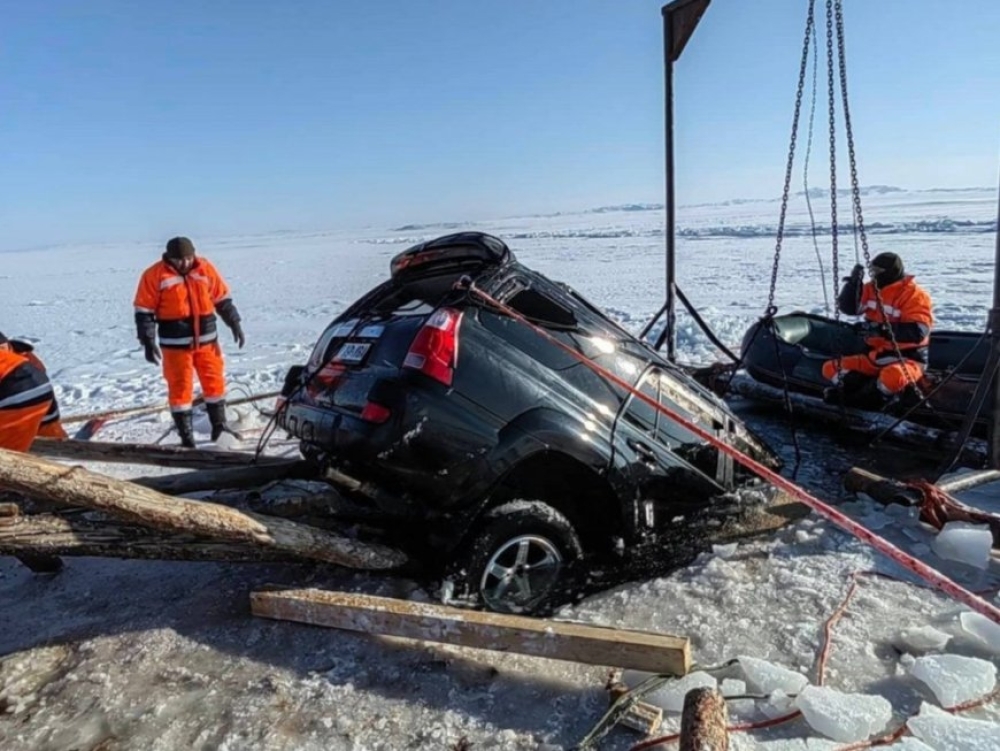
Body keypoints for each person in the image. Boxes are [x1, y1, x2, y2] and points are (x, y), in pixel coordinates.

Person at [133, 236, 245, 448]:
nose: (184, 263)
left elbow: (221, 298)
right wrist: (147, 340)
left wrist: (234, 322)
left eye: (188, 258)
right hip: (175, 346)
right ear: (169, 258)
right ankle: (186, 437)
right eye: (179, 260)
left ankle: (219, 427)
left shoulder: (205, 268)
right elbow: (144, 311)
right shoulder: (154, 275)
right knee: (180, 388)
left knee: (214, 383)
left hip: (207, 342)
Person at [821, 252, 933, 409]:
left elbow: (918, 331)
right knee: (830, 368)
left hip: (907, 358)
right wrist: (852, 286)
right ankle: (858, 389)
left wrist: (881, 330)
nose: (873, 276)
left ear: (891, 272)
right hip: (875, 355)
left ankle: (872, 399)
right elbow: (850, 308)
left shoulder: (914, 295)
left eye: (877, 272)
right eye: (871, 271)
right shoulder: (871, 289)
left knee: (892, 377)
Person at [0, 331, 64, 451]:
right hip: (35, 386)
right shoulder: (22, 357)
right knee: (44, 423)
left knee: (7, 454)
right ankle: (59, 447)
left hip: (16, 390)